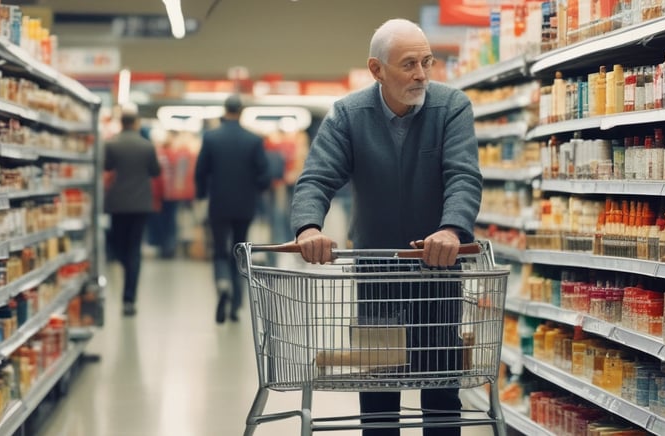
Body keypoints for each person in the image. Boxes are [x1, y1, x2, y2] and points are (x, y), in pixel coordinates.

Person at [290, 19, 483, 436]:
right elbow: (316, 178)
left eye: (427, 61)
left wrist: (451, 230)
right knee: (378, 387)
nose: (421, 74)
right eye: (409, 64)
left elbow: (463, 176)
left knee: (440, 388)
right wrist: (308, 227)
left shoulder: (451, 107)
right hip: (376, 269)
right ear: (376, 70)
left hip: (437, 268)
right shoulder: (349, 114)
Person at [194, 94, 271, 324]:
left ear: (224, 110)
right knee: (240, 250)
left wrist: (201, 194)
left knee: (219, 249)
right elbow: (264, 175)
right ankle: (236, 305)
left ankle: (222, 284)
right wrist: (256, 190)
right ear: (241, 111)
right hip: (244, 205)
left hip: (219, 203)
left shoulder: (211, 138)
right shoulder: (253, 140)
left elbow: (200, 172)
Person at [104, 103, 161, 316]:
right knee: (134, 248)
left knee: (118, 243)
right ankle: (129, 299)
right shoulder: (147, 146)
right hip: (140, 204)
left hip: (117, 203)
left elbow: (107, 167)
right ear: (136, 123)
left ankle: (124, 261)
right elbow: (155, 171)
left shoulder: (111, 144)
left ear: (121, 123)